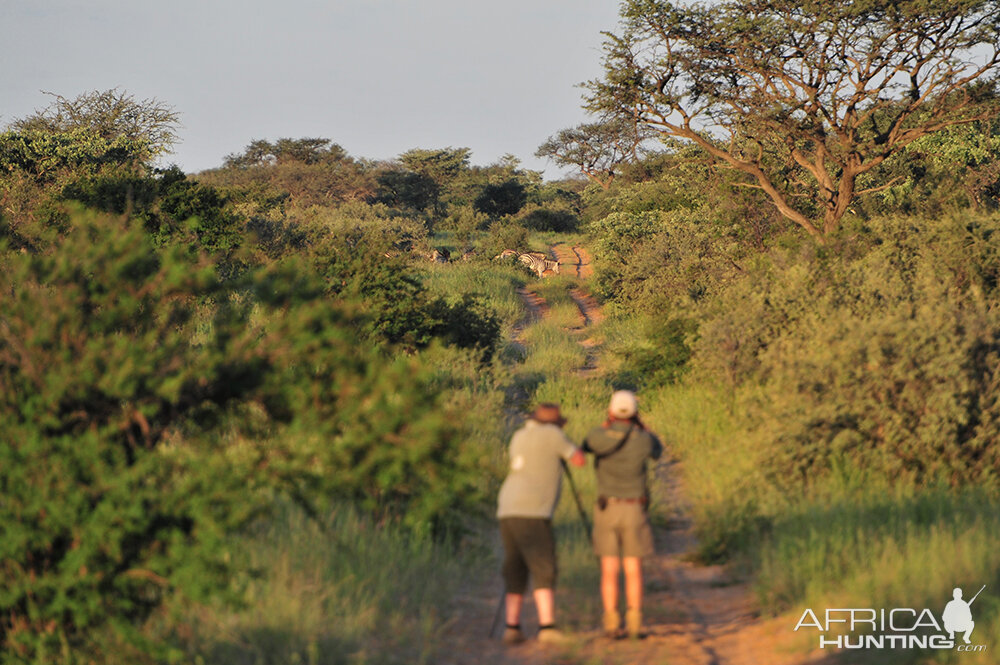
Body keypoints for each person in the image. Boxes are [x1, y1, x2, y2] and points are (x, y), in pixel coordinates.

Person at [496, 403, 585, 645]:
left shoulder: (519, 435)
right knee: (544, 566)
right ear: (555, 423)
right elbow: (578, 460)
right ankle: (547, 627)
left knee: (515, 566)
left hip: (507, 508)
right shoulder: (553, 435)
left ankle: (511, 627)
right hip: (533, 511)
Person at [582, 390, 663, 639]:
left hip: (607, 509)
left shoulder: (598, 435)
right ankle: (635, 622)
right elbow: (658, 450)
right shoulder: (643, 439)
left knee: (609, 568)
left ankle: (611, 621)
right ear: (636, 413)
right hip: (634, 508)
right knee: (633, 568)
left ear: (611, 412)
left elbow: (585, 447)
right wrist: (643, 427)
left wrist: (608, 425)